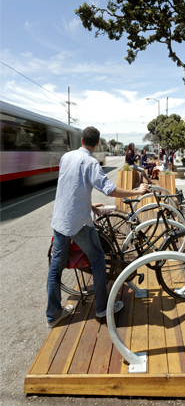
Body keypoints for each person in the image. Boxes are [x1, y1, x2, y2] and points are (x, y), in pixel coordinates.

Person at [48, 127, 150, 328]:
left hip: (59, 219)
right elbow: (109, 189)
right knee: (98, 260)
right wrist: (136, 191)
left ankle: (53, 316)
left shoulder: (67, 157)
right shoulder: (90, 161)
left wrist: (90, 205)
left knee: (55, 268)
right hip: (78, 223)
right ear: (96, 144)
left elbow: (70, 187)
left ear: (82, 140)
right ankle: (102, 307)